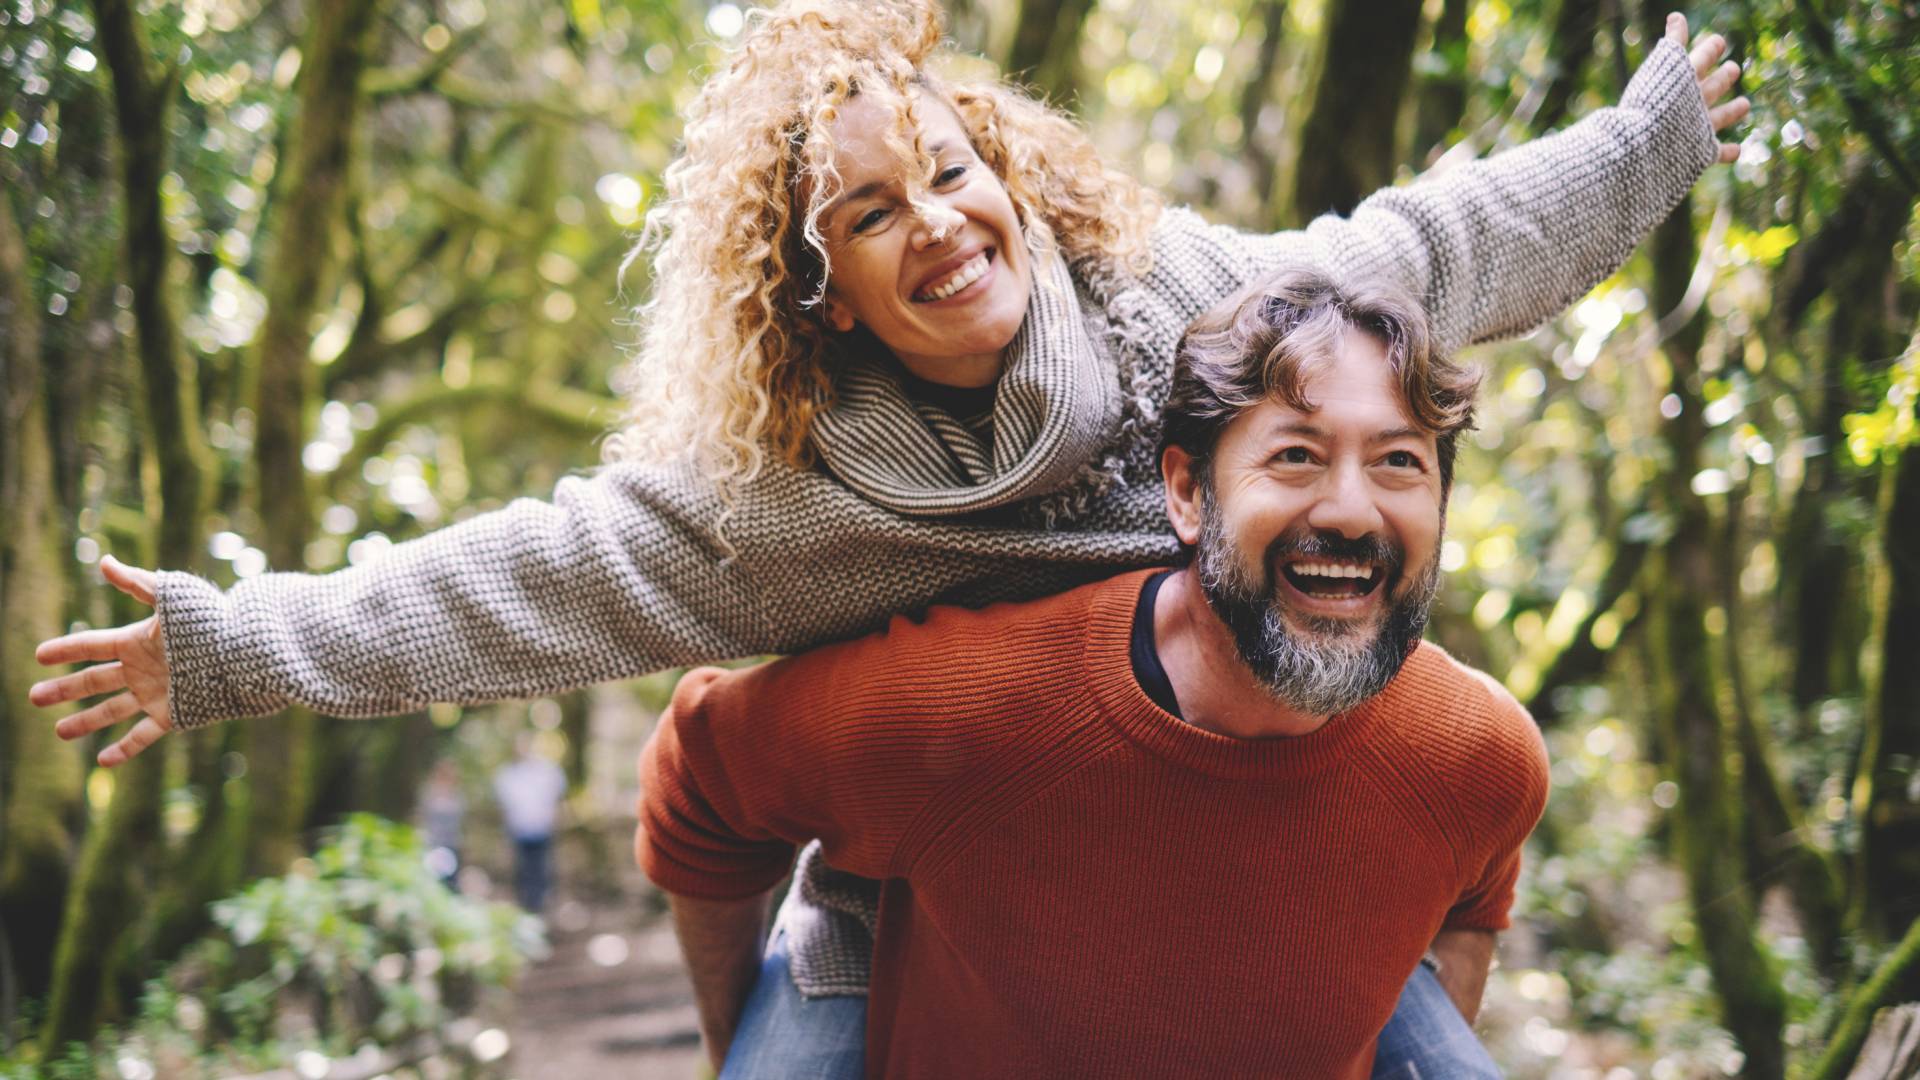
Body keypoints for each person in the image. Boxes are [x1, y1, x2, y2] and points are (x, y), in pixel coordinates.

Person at [26, 0, 1748, 1073]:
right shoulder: (784, 502)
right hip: (914, 875)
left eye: (949, 169)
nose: (936, 222)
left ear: (1011, 176)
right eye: (868, 211)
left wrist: (1650, 138)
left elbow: (1434, 249)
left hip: (1252, 824)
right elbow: (522, 580)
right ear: (822, 294)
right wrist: (230, 644)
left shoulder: (1178, 305)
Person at [639, 267, 1545, 1077]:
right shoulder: (972, 710)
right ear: (1188, 494)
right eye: (1295, 456)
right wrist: (742, 1046)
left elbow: (1476, 891)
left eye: (1398, 462)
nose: (1351, 511)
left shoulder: (1478, 756)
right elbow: (702, 780)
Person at [494, 734, 570, 912]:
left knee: (541, 868)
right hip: (519, 830)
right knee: (522, 870)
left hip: (542, 829)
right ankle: (525, 906)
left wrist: (557, 820)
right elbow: (503, 806)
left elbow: (558, 799)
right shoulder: (507, 775)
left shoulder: (547, 771)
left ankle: (540, 906)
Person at [419, 757, 467, 887]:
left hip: (451, 843)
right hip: (433, 843)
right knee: (433, 881)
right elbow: (424, 817)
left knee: (451, 883)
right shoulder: (430, 793)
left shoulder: (457, 795)